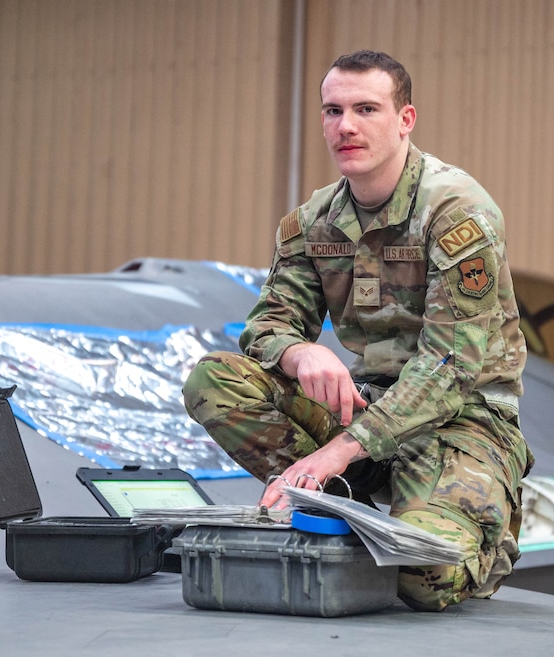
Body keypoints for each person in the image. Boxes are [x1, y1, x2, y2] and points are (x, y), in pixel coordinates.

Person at [183, 50, 532, 612]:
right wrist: (299, 354)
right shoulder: (311, 222)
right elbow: (269, 325)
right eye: (332, 111)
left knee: (425, 576)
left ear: (405, 119)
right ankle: (335, 509)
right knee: (214, 380)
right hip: (364, 407)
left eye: (366, 108)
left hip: (462, 420)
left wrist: (337, 452)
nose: (345, 126)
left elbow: (449, 368)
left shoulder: (456, 211)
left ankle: (479, 523)